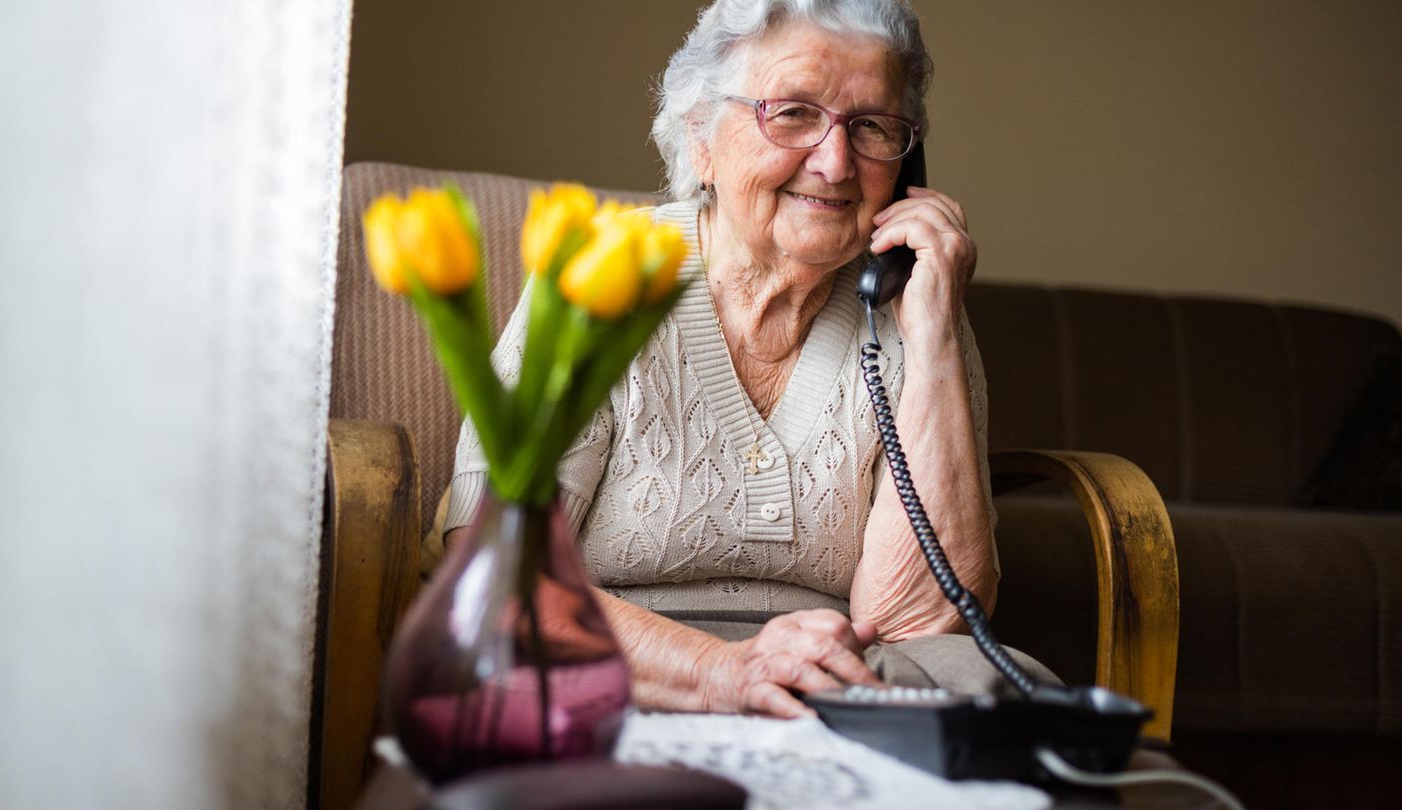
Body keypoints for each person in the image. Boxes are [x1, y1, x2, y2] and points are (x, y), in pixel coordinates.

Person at [443, 0, 1055, 718]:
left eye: (873, 128)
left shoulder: (913, 304)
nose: (834, 162)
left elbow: (920, 627)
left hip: (838, 682)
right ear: (700, 136)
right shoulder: (602, 280)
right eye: (793, 114)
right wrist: (724, 672)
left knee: (1002, 694)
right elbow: (497, 578)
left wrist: (934, 340)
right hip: (620, 669)